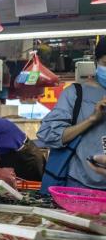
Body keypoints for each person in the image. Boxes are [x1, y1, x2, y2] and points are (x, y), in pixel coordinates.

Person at [37, 40, 106, 190]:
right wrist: (91, 120)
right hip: (79, 186)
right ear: (96, 63)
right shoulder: (75, 94)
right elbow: (50, 135)